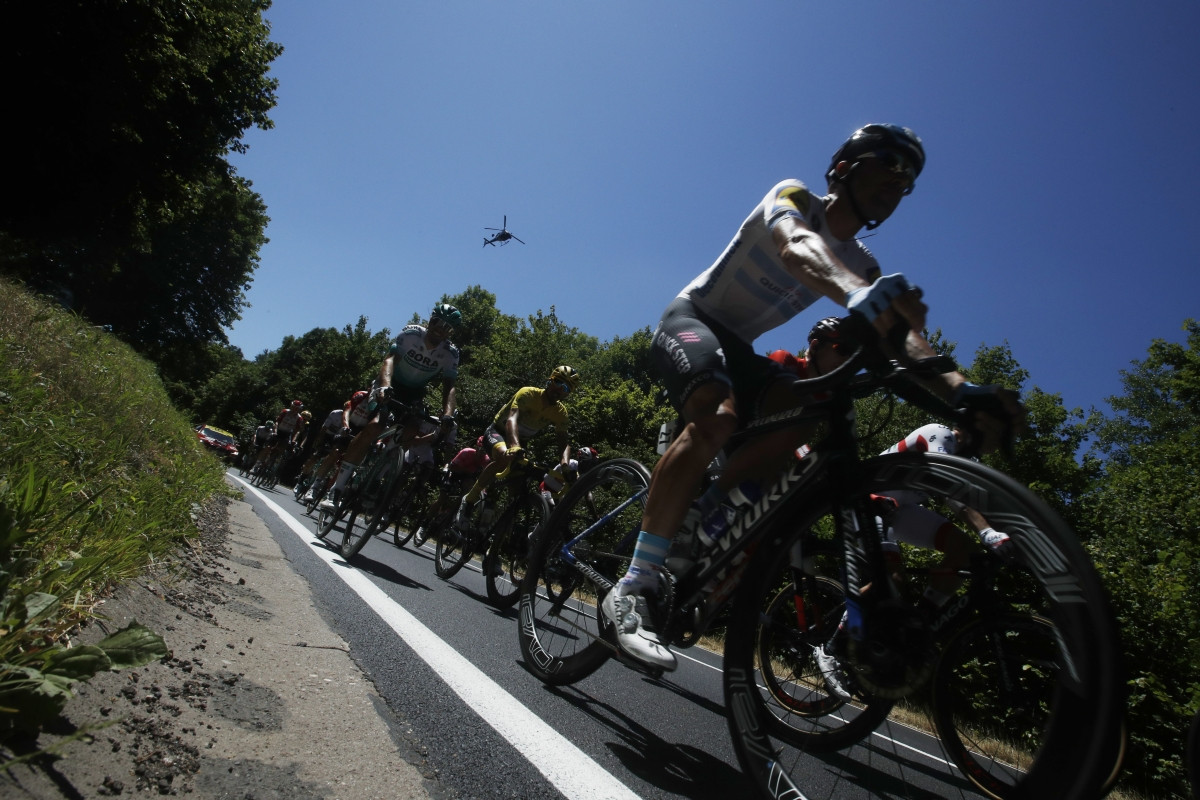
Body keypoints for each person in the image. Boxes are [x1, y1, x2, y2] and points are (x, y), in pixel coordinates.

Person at [603, 124, 1024, 672]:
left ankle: (701, 517)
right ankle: (632, 588)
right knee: (719, 415)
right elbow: (797, 246)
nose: (897, 184)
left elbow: (902, 338)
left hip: (743, 349)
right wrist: (859, 296)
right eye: (889, 166)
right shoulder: (795, 196)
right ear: (845, 166)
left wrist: (961, 390)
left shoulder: (863, 266)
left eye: (909, 181)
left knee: (803, 419)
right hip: (693, 320)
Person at [325, 303, 462, 508]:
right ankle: (336, 488)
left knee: (412, 428)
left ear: (450, 332)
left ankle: (378, 472)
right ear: (430, 320)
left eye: (446, 327)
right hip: (390, 383)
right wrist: (385, 387)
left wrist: (447, 414)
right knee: (375, 426)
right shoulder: (411, 334)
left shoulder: (451, 353)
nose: (439, 329)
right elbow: (389, 360)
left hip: (414, 393)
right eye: (437, 322)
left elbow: (449, 387)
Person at [455, 366, 579, 528]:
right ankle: (470, 499)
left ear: (568, 393)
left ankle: (501, 532)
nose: (559, 389)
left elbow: (563, 442)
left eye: (566, 387)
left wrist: (565, 466)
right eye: (558, 382)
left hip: (521, 442)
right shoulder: (528, 393)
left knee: (518, 486)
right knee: (504, 456)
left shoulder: (560, 412)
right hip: (499, 431)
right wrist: (513, 446)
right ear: (550, 380)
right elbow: (511, 420)